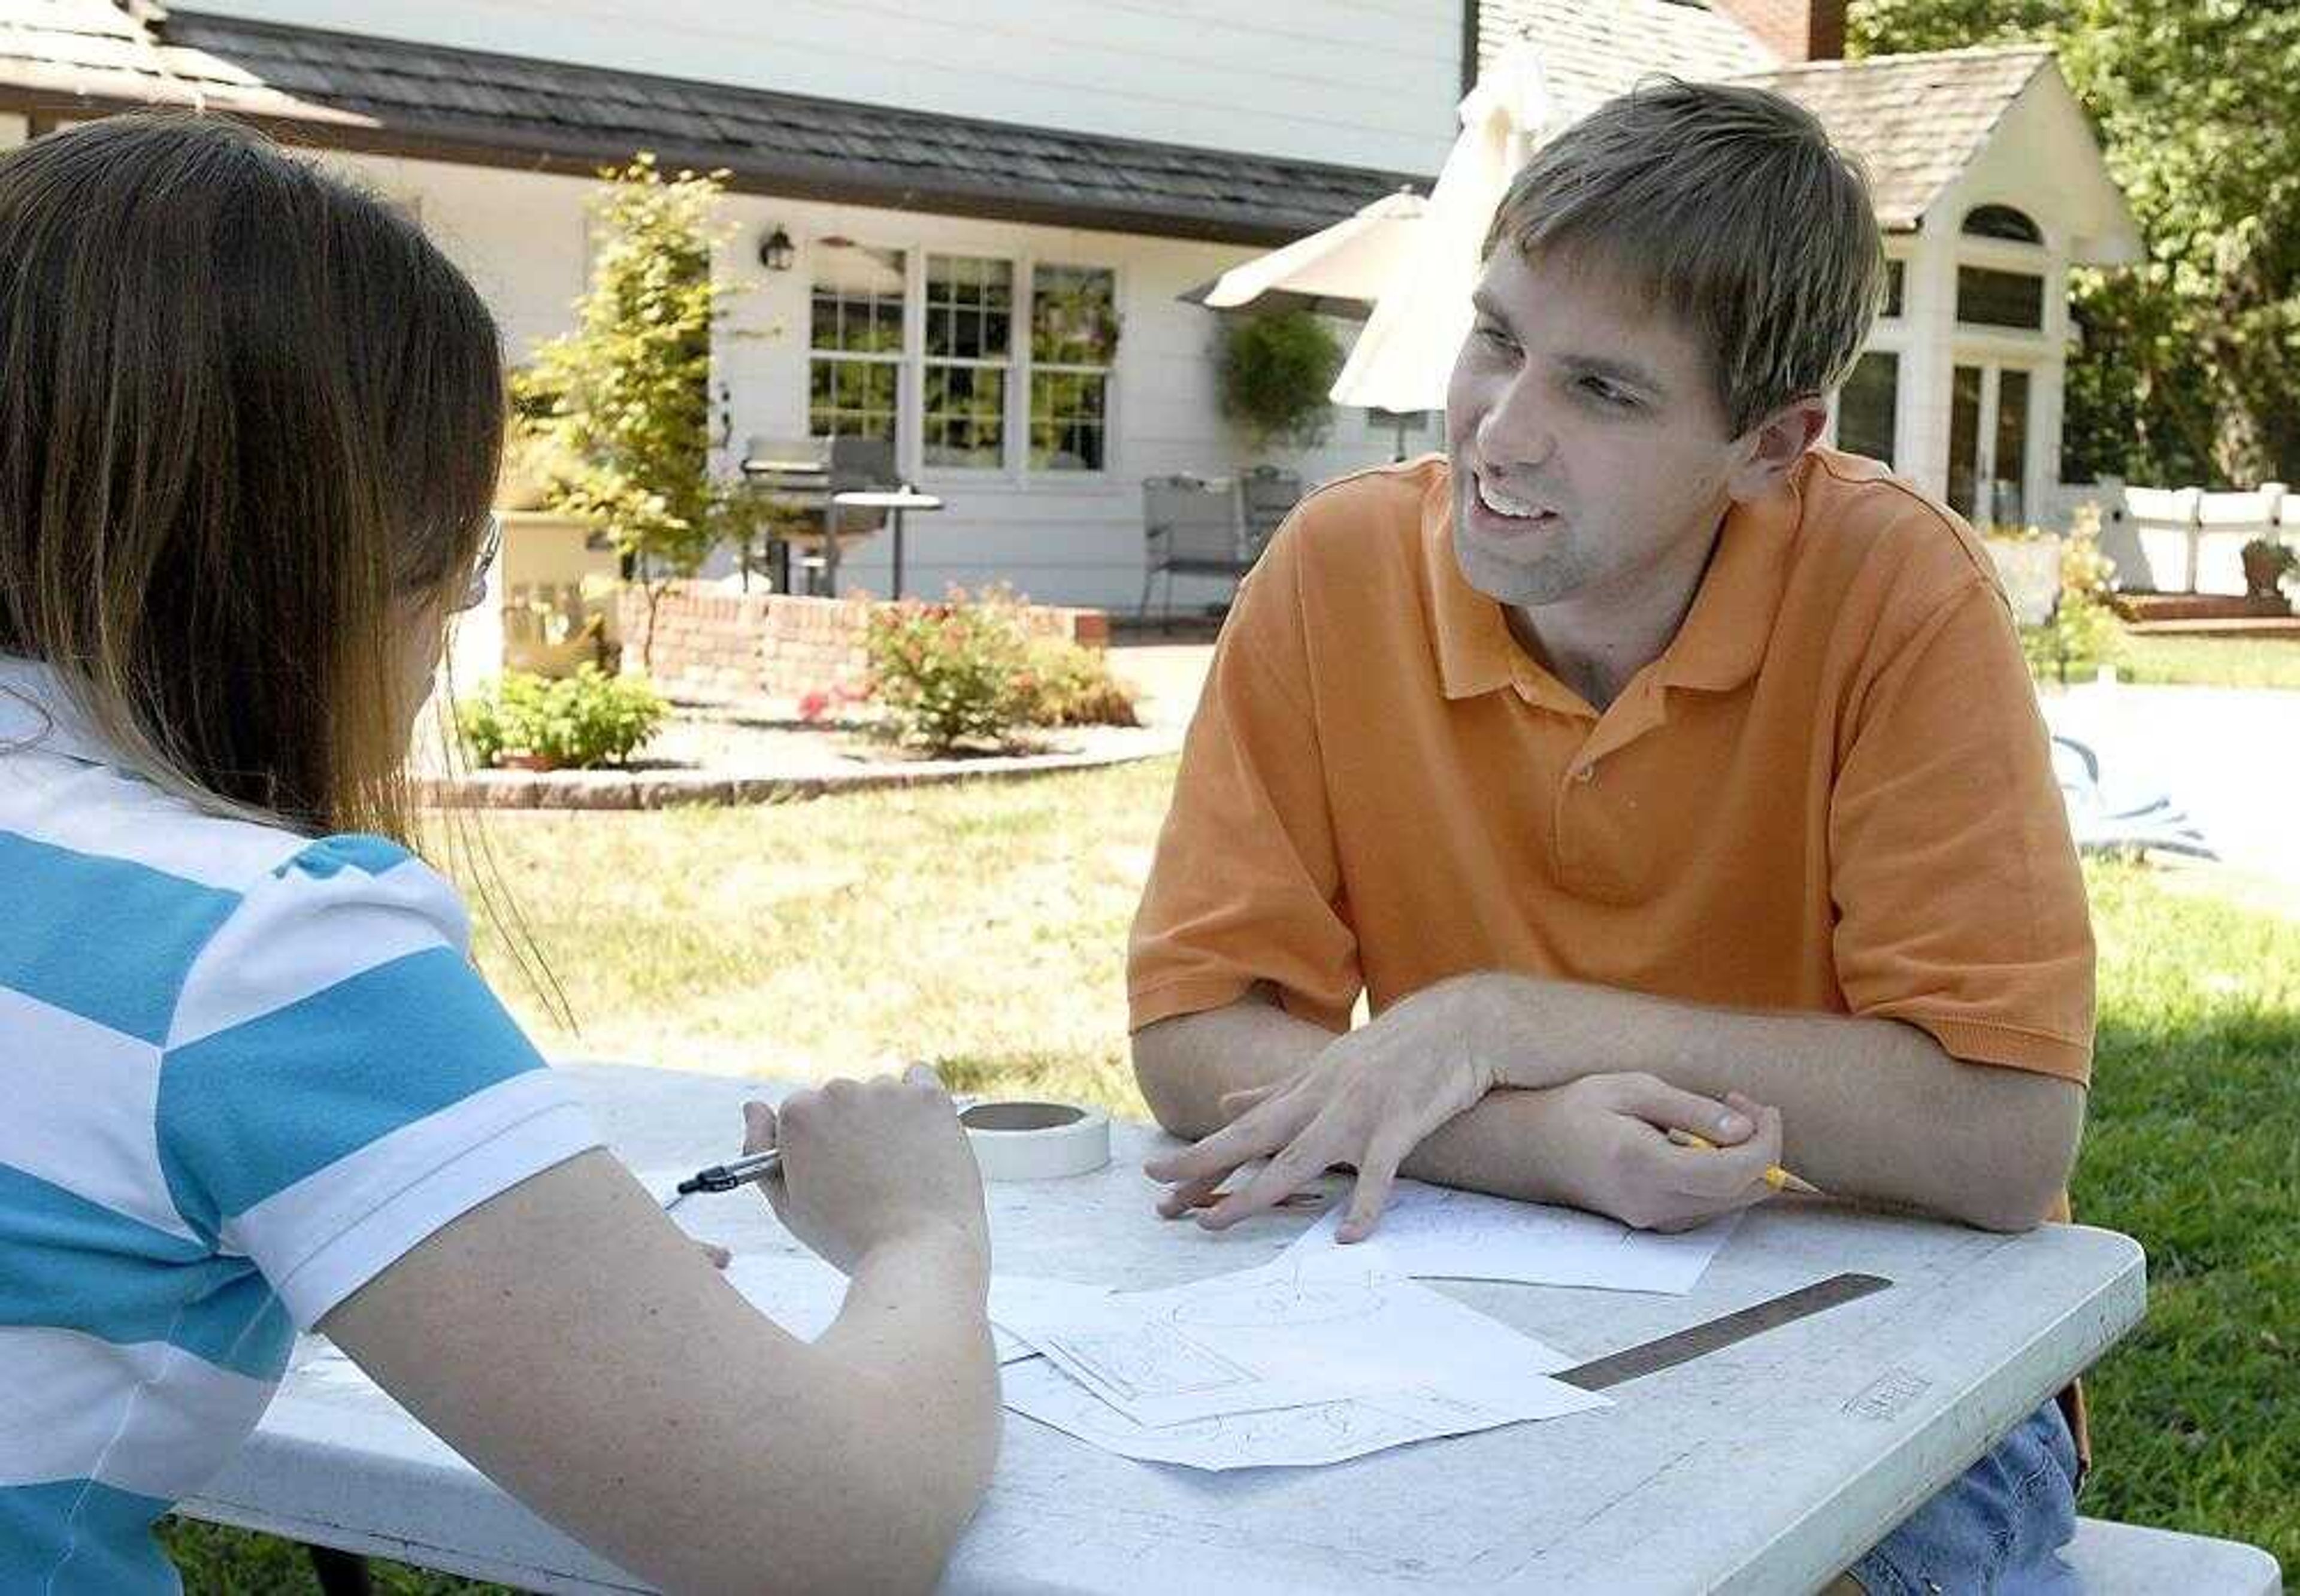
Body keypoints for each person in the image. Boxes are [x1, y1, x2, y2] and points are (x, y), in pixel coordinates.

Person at [0, 114, 996, 1595]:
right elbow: (839, 1533)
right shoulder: (254, 952)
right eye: (463, 560)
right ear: (324, 563)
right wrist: (920, 1234)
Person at [1129, 81, 2090, 1593]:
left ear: (1774, 444)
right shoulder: (1338, 571)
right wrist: (1525, 1136)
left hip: (1886, 1363)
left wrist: (1505, 1023)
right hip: (1444, 1336)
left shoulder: (1902, 596)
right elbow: (1196, 1038)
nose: (1500, 432)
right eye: (1498, 338)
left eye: (1604, 391)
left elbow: (2003, 1136)